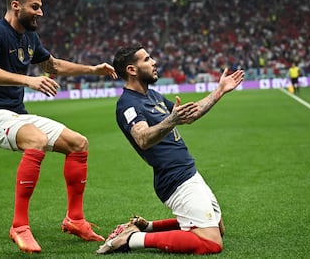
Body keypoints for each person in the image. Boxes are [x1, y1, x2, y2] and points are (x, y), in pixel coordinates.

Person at [0, 0, 117, 254]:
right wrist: (29, 80)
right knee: (36, 140)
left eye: (41, 7)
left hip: (15, 114)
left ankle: (75, 219)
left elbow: (53, 65)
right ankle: (19, 226)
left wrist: (93, 70)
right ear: (16, 5)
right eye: (35, 7)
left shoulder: (30, 38)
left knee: (78, 143)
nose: (41, 12)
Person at [96, 44, 244, 255]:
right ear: (132, 69)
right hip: (174, 177)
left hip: (188, 171)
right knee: (211, 243)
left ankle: (147, 227)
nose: (154, 62)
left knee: (219, 229)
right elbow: (142, 138)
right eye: (147, 59)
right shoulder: (128, 104)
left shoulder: (153, 96)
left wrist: (219, 91)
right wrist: (171, 120)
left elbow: (189, 115)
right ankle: (133, 239)